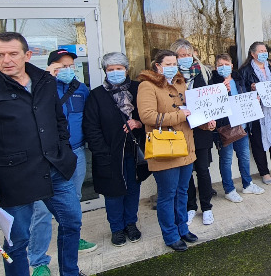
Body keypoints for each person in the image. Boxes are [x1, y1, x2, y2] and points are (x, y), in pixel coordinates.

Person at [0, 32, 82, 276]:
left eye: (13, 54)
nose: (7, 60)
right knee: (17, 241)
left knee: (72, 223)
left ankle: (70, 272)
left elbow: (58, 121)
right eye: (0, 55)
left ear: (27, 55)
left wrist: (64, 152)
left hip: (55, 170)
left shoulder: (45, 81)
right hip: (14, 179)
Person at [28, 49, 96, 276]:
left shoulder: (81, 89)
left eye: (70, 66)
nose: (67, 70)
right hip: (47, 158)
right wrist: (45, 78)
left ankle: (74, 241)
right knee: (41, 210)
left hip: (75, 153)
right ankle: (39, 261)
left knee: (73, 202)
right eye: (61, 66)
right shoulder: (40, 89)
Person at [83, 52, 148, 247]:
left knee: (133, 189)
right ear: (105, 71)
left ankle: (131, 223)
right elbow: (91, 128)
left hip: (134, 151)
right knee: (113, 192)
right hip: (110, 153)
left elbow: (149, 114)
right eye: (110, 69)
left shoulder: (138, 89)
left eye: (119, 68)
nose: (115, 72)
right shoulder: (96, 95)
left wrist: (139, 123)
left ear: (126, 70)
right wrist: (102, 152)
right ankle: (117, 228)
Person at [137, 50, 198, 252]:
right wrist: (179, 115)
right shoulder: (147, 86)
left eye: (175, 64)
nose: (173, 67)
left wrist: (205, 120)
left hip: (186, 147)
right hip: (165, 148)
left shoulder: (181, 83)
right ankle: (170, 235)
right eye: (168, 64)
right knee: (167, 194)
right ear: (158, 66)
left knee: (183, 191)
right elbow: (147, 116)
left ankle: (182, 228)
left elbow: (191, 110)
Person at [169, 39, 217, 227]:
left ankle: (206, 207)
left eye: (188, 54)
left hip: (201, 129)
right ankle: (190, 207)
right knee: (186, 172)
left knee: (203, 170)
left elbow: (212, 99)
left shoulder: (203, 73)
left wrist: (212, 118)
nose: (186, 58)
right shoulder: (170, 75)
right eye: (182, 55)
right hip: (180, 129)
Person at [210, 53, 265, 202]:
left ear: (232, 65)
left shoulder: (239, 79)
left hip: (242, 126)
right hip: (225, 129)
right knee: (226, 160)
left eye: (226, 64)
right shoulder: (212, 83)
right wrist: (222, 90)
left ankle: (247, 184)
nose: (223, 67)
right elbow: (212, 105)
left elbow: (245, 96)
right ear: (215, 67)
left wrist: (254, 98)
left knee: (244, 157)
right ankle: (229, 190)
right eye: (220, 65)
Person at [238, 42, 271, 185]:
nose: (264, 53)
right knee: (258, 144)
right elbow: (242, 91)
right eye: (260, 51)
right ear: (252, 54)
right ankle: (264, 173)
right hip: (257, 113)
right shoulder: (245, 70)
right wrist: (251, 89)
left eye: (265, 51)